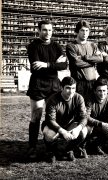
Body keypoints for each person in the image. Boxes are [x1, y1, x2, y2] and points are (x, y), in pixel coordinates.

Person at [26, 20, 68, 159]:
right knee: (36, 115)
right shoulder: (33, 46)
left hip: (54, 85)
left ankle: (51, 146)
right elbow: (34, 67)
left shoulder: (56, 46)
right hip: (38, 84)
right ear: (38, 30)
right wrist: (54, 64)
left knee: (54, 116)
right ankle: (32, 147)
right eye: (44, 30)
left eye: (50, 30)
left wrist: (46, 64)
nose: (47, 33)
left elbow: (63, 65)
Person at [42, 77, 88, 162]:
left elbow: (84, 117)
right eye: (68, 88)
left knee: (83, 131)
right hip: (54, 126)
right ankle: (51, 151)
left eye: (73, 88)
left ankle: (68, 150)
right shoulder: (52, 99)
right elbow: (50, 120)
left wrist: (78, 129)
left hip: (69, 125)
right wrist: (62, 131)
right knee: (49, 134)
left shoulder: (78, 98)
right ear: (61, 88)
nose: (71, 91)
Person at [66, 20, 103, 98]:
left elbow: (100, 59)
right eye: (82, 30)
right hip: (78, 82)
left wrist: (85, 58)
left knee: (91, 107)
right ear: (77, 31)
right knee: (79, 107)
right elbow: (76, 63)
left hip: (92, 82)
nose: (85, 33)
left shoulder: (93, 45)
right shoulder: (71, 46)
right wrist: (93, 62)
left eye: (87, 30)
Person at [85, 78, 108, 155]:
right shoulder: (89, 99)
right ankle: (84, 146)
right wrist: (101, 124)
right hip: (90, 125)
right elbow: (86, 117)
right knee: (86, 130)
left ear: (107, 90)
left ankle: (98, 145)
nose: (102, 93)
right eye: (99, 91)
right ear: (94, 91)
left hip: (103, 125)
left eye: (104, 90)